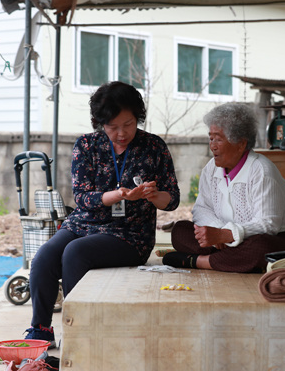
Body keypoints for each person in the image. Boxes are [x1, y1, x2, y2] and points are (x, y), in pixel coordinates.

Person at [25, 81, 180, 345]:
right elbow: (83, 198)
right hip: (83, 223)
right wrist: (121, 194)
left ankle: (77, 329)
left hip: (130, 234)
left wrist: (154, 196)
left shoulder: (154, 147)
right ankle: (41, 330)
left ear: (138, 117)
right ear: (100, 122)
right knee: (44, 258)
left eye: (128, 124)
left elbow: (172, 200)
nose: (121, 133)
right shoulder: (86, 145)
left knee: (76, 253)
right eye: (113, 127)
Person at [163, 103, 285, 273]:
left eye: (218, 139)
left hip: (283, 239)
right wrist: (217, 232)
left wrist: (226, 235)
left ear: (241, 144)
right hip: (230, 240)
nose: (212, 146)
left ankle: (201, 261)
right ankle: (231, 260)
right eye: (210, 138)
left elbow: (268, 224)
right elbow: (201, 209)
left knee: (260, 248)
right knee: (180, 231)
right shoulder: (211, 169)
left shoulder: (262, 170)